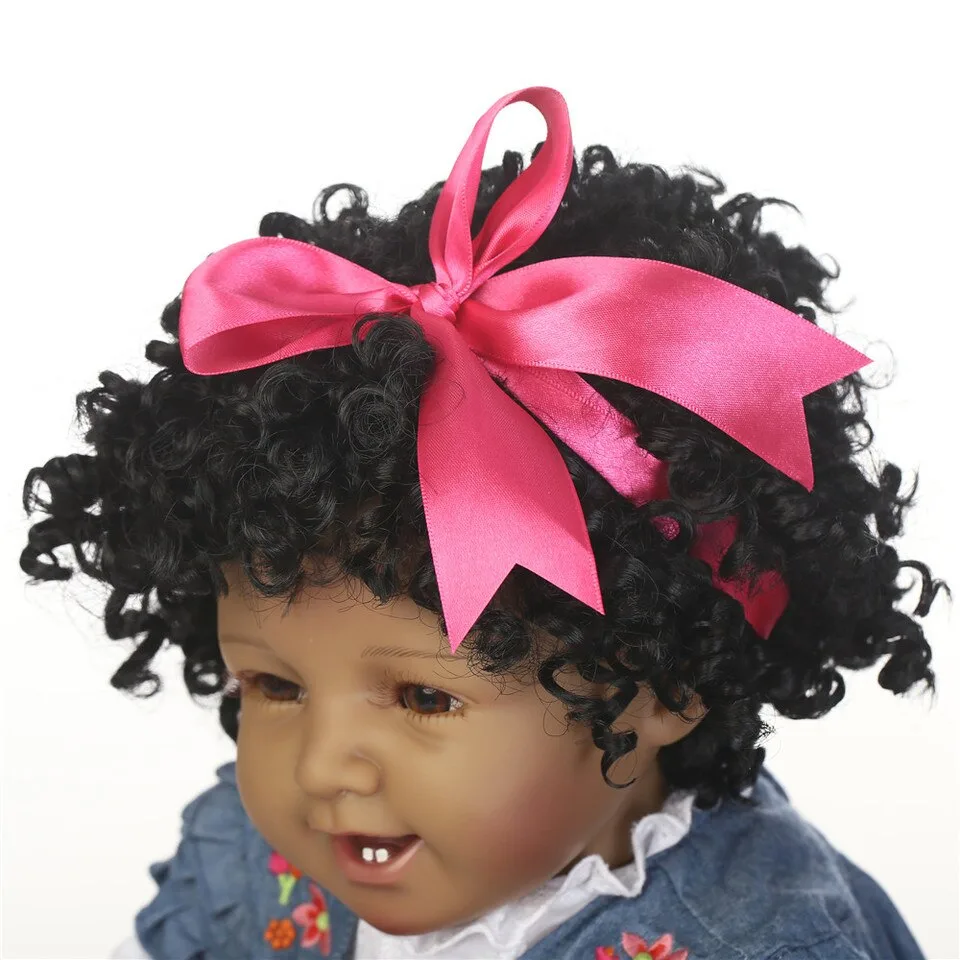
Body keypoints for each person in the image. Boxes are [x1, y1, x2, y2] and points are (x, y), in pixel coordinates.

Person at [19, 86, 947, 960]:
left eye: (425, 698)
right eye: (275, 686)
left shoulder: (762, 939)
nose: (322, 769)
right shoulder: (250, 859)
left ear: (659, 691)